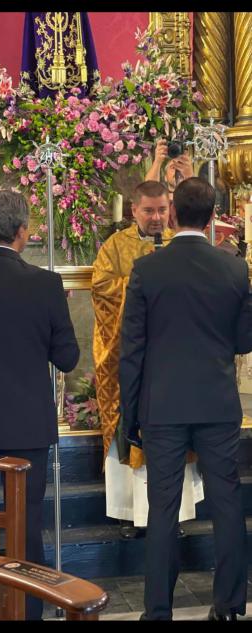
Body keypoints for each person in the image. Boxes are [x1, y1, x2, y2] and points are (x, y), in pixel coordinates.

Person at [119, 176, 252, 621]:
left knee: (164, 509)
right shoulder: (234, 268)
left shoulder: (147, 269)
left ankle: (158, 610)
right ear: (214, 216)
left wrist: (129, 415)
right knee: (227, 503)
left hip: (163, 405)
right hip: (216, 401)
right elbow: (244, 340)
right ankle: (230, 606)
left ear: (172, 214)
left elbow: (131, 350)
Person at [0, 189, 80, 620]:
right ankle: (26, 613)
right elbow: (68, 358)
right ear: (23, 232)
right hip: (25, 429)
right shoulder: (45, 285)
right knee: (25, 527)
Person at [92, 180, 204, 539]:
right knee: (130, 428)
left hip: (172, 357)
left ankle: (178, 514)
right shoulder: (115, 247)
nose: (156, 218)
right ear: (134, 211)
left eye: (161, 210)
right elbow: (102, 288)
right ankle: (128, 513)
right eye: (149, 211)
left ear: (170, 209)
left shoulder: (179, 244)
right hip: (131, 356)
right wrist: (143, 285)